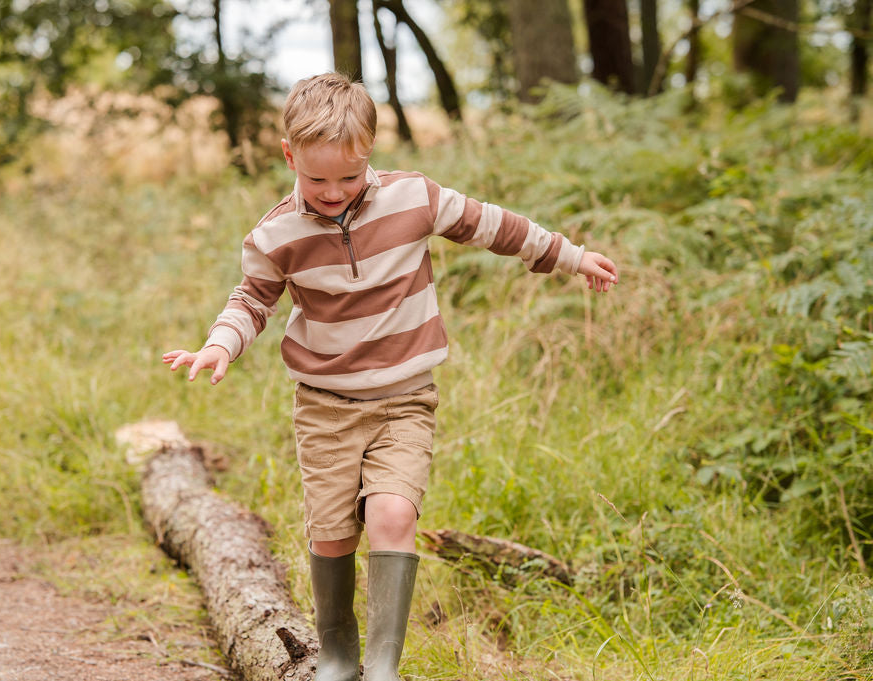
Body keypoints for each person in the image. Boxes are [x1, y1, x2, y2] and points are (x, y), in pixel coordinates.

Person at [163, 72, 618, 681]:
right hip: (325, 405)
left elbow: (494, 226)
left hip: (406, 400)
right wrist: (219, 345)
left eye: (349, 177)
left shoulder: (415, 199)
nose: (333, 191)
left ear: (370, 152)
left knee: (393, 515)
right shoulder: (276, 236)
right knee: (330, 533)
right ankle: (338, 655)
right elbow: (251, 300)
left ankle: (381, 666)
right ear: (289, 155)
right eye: (316, 178)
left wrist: (568, 254)